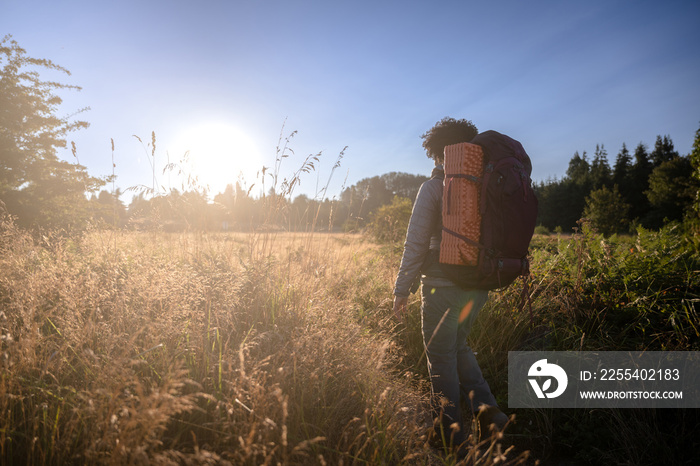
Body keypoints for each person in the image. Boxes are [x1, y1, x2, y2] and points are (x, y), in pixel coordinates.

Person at [392, 117, 508, 450]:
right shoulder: (488, 185)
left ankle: (450, 433)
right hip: (479, 285)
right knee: (457, 348)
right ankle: (491, 416)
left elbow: (414, 243)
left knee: (440, 356)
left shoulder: (434, 187)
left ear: (438, 152)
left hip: (441, 286)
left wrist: (402, 290)